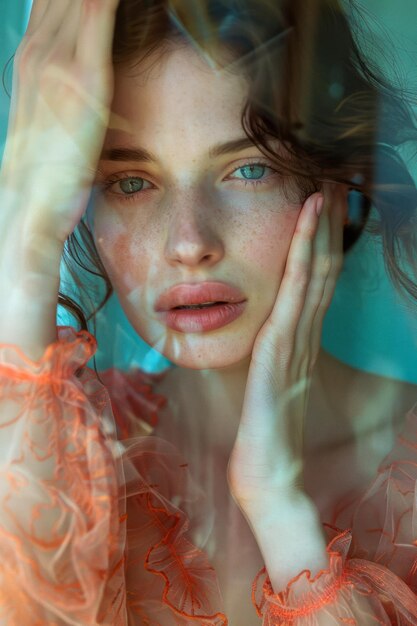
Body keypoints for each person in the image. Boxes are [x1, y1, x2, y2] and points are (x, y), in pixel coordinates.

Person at [1, 0, 417, 623]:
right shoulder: (56, 464)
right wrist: (25, 235)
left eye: (248, 169)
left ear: (331, 181)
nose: (190, 242)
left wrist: (279, 506)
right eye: (132, 182)